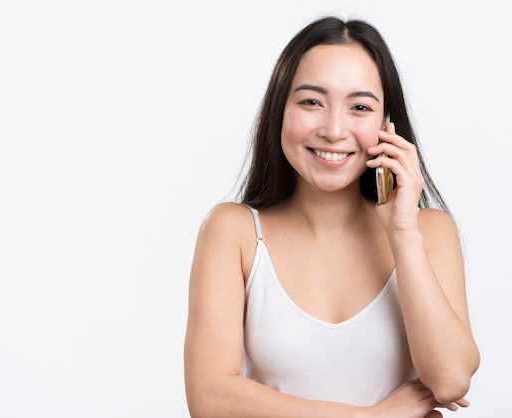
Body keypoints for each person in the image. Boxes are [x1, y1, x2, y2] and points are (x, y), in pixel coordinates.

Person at [183, 15, 480, 418]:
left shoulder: (428, 231)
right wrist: (368, 417)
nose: (335, 129)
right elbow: (209, 399)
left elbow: (450, 379)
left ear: (386, 125)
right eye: (311, 102)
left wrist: (402, 230)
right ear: (280, 111)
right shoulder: (233, 231)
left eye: (359, 107)